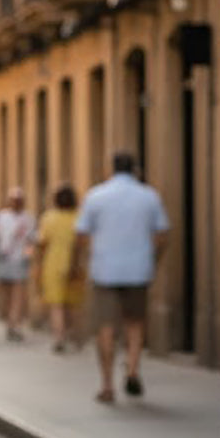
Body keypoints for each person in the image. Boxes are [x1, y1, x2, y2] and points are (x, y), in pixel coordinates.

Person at [74, 151, 170, 402]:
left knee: (105, 328)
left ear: (112, 168)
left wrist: (86, 259)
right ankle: (132, 370)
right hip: (138, 270)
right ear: (135, 169)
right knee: (135, 323)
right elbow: (162, 235)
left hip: (105, 270)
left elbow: (81, 235)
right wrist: (152, 260)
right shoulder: (149, 196)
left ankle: (107, 384)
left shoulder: (96, 196)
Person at [36, 183, 82, 351]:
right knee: (73, 304)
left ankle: (59, 338)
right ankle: (76, 337)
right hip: (74, 265)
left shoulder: (49, 218)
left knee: (57, 305)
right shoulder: (79, 217)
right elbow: (82, 243)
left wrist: (38, 265)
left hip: (53, 265)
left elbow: (42, 244)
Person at [0, 185, 35, 340]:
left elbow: (31, 241)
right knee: (6, 295)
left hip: (19, 260)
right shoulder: (2, 216)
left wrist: (28, 256)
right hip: (3, 259)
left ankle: (13, 325)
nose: (16, 203)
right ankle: (9, 321)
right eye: (14, 200)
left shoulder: (28, 218)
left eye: (19, 200)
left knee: (17, 296)